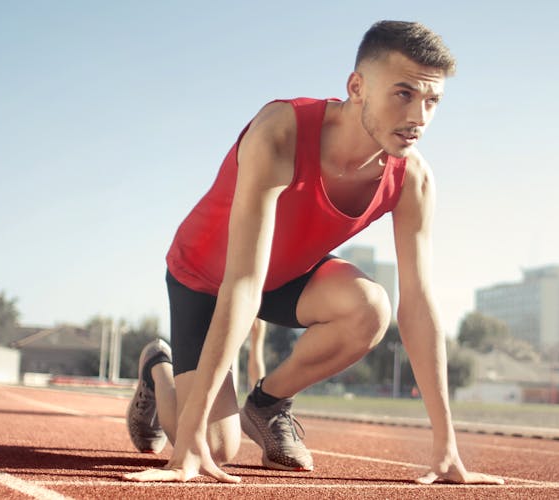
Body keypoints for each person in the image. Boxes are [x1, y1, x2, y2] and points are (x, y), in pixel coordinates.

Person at [125, 21, 501, 485]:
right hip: (205, 277)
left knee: (370, 308)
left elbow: (419, 305)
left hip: (285, 278)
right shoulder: (280, 131)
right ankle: (158, 371)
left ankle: (266, 404)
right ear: (357, 86)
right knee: (216, 447)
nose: (419, 117)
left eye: (432, 101)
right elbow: (242, 281)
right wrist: (189, 441)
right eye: (403, 94)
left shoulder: (413, 179)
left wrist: (446, 447)